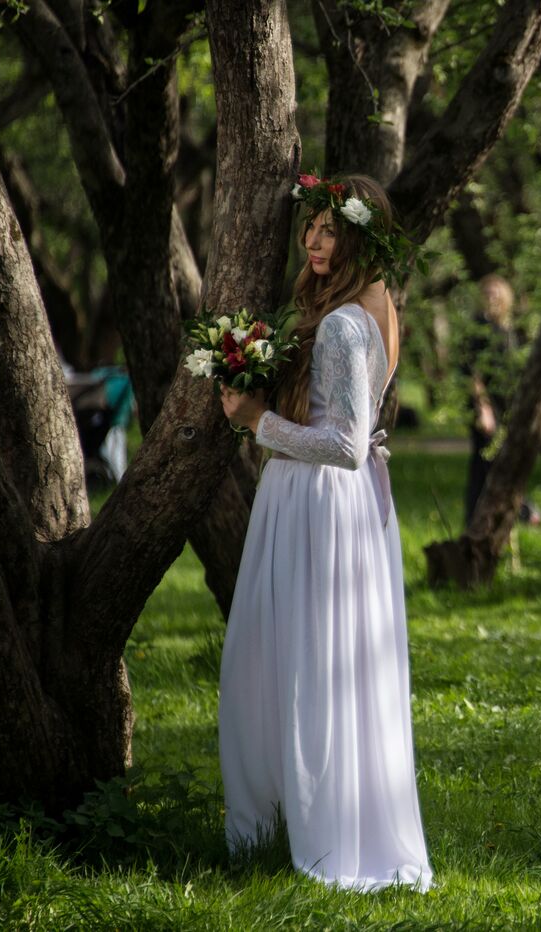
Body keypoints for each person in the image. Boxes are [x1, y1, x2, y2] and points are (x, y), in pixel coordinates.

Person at [216, 173, 433, 892]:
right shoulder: (377, 304)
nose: (315, 241)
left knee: (301, 664)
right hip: (342, 510)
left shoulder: (342, 323)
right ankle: (321, 814)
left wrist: (256, 422)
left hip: (317, 502)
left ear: (361, 237)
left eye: (331, 230)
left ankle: (306, 827)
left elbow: (341, 444)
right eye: (311, 228)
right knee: (323, 663)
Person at [461, 273, 518, 526]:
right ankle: (476, 521)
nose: (492, 298)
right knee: (483, 463)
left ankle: (496, 520)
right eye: (487, 293)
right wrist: (483, 407)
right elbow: (472, 372)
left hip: (505, 405)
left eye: (497, 293)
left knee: (499, 464)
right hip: (487, 407)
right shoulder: (478, 328)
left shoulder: (506, 328)